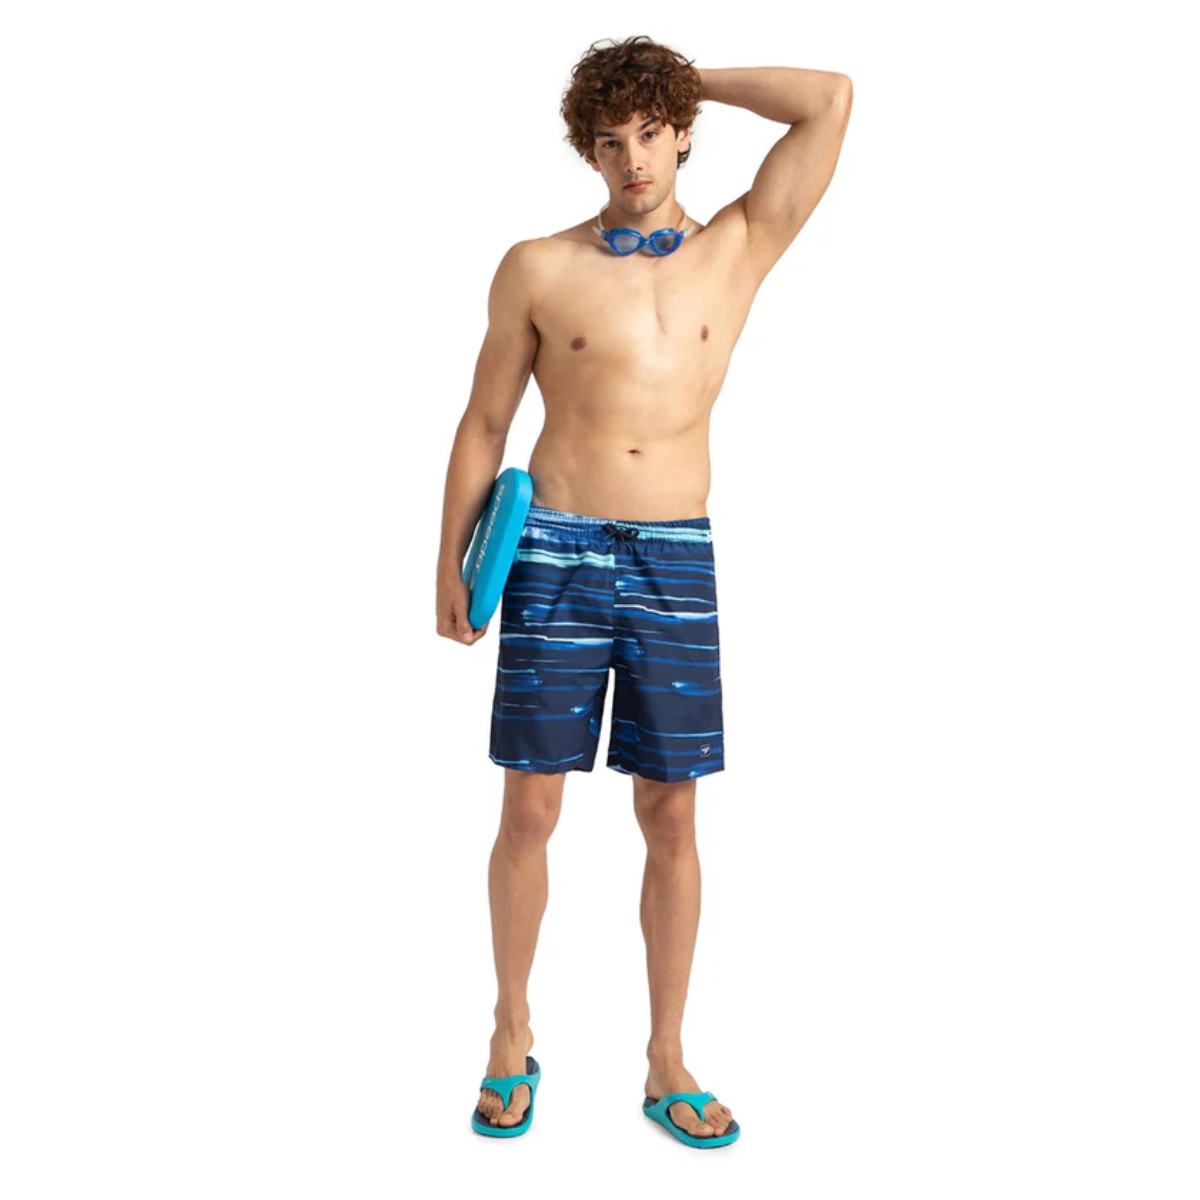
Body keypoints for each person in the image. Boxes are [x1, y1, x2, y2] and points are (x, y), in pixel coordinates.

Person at [436, 36, 852, 1144]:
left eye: (652, 132)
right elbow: (485, 421)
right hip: (554, 550)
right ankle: (509, 1034)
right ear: (588, 151)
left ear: (680, 135)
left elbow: (829, 100)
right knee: (530, 808)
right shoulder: (537, 266)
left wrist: (684, 76)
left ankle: (667, 1058)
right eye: (611, 140)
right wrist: (449, 565)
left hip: (675, 556)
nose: (633, 159)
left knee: (672, 812)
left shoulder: (738, 247)